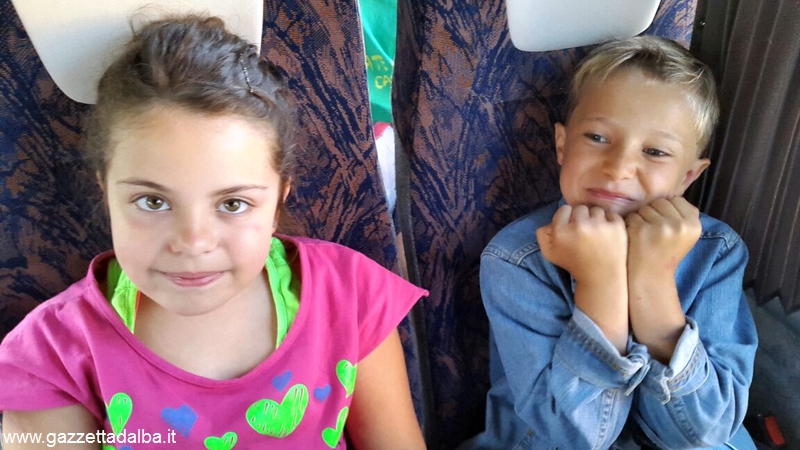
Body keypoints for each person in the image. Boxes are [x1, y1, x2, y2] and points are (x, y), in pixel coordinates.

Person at [0, 15, 427, 449]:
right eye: (152, 202)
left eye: (232, 204)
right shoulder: (51, 358)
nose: (193, 243)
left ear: (278, 203)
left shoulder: (349, 297)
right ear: (105, 193)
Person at [461, 36, 758, 449]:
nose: (618, 168)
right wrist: (599, 283)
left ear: (688, 176)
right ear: (562, 145)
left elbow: (705, 431)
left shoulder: (716, 252)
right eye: (598, 138)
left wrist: (653, 282)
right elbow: (578, 437)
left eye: (655, 151)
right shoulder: (518, 258)